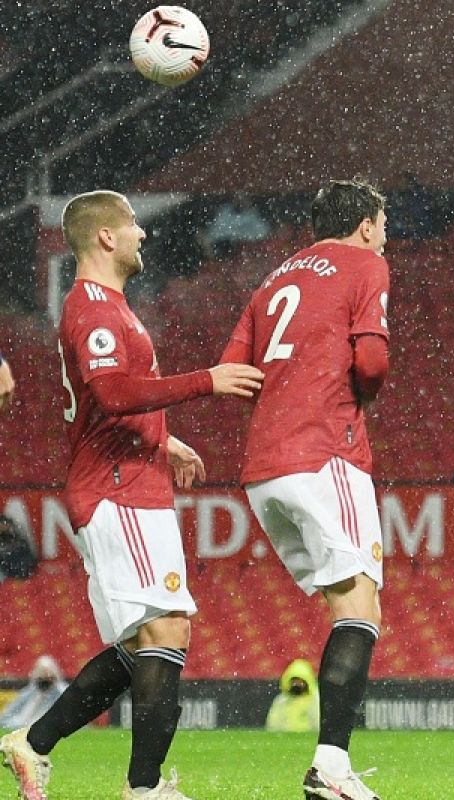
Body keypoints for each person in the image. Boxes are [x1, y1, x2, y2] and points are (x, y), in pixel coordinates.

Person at [0, 190, 263, 800]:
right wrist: (209, 381)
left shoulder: (113, 307)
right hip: (118, 492)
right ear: (106, 238)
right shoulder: (94, 309)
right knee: (167, 630)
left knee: (143, 642)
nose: (144, 234)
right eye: (134, 226)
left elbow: (108, 402)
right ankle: (143, 789)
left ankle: (32, 744)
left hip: (132, 483)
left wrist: (165, 442)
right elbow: (115, 394)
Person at [219, 177, 391, 800]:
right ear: (368, 224)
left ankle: (332, 764)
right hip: (327, 452)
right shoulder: (365, 265)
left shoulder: (273, 279)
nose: (385, 238)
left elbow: (234, 372)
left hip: (264, 467)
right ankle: (331, 767)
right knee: (358, 607)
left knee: (341, 607)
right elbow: (370, 363)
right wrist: (354, 398)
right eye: (384, 225)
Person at [196, 193, 271, 262]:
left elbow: (262, 233)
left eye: (242, 198)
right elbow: (216, 230)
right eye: (236, 197)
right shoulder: (225, 211)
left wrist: (235, 237)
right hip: (220, 247)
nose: (239, 200)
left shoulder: (253, 217)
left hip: (241, 253)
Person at [0, 657, 66, 730]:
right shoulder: (28, 693)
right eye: (42, 675)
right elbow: (7, 716)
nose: (45, 678)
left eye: (49, 675)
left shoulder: (63, 693)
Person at [266, 659, 320, 733]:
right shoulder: (281, 701)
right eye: (294, 681)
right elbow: (273, 724)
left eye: (300, 681)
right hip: (284, 739)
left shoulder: (315, 700)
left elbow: (317, 723)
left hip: (307, 739)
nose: (296, 684)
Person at [0, 515, 36, 581]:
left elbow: (29, 557)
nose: (4, 527)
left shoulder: (17, 539)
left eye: (5, 524)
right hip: (8, 577)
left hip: (22, 574)